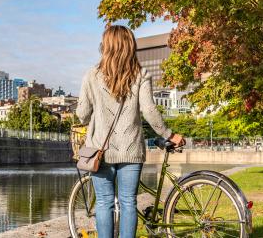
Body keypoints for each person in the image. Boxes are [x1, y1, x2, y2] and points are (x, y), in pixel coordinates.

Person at [76, 25, 184, 238]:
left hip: (99, 150)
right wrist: (169, 134)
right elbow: (149, 111)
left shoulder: (91, 75)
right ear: (130, 46)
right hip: (132, 148)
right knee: (128, 202)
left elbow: (82, 114)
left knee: (105, 202)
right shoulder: (141, 74)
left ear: (106, 46)